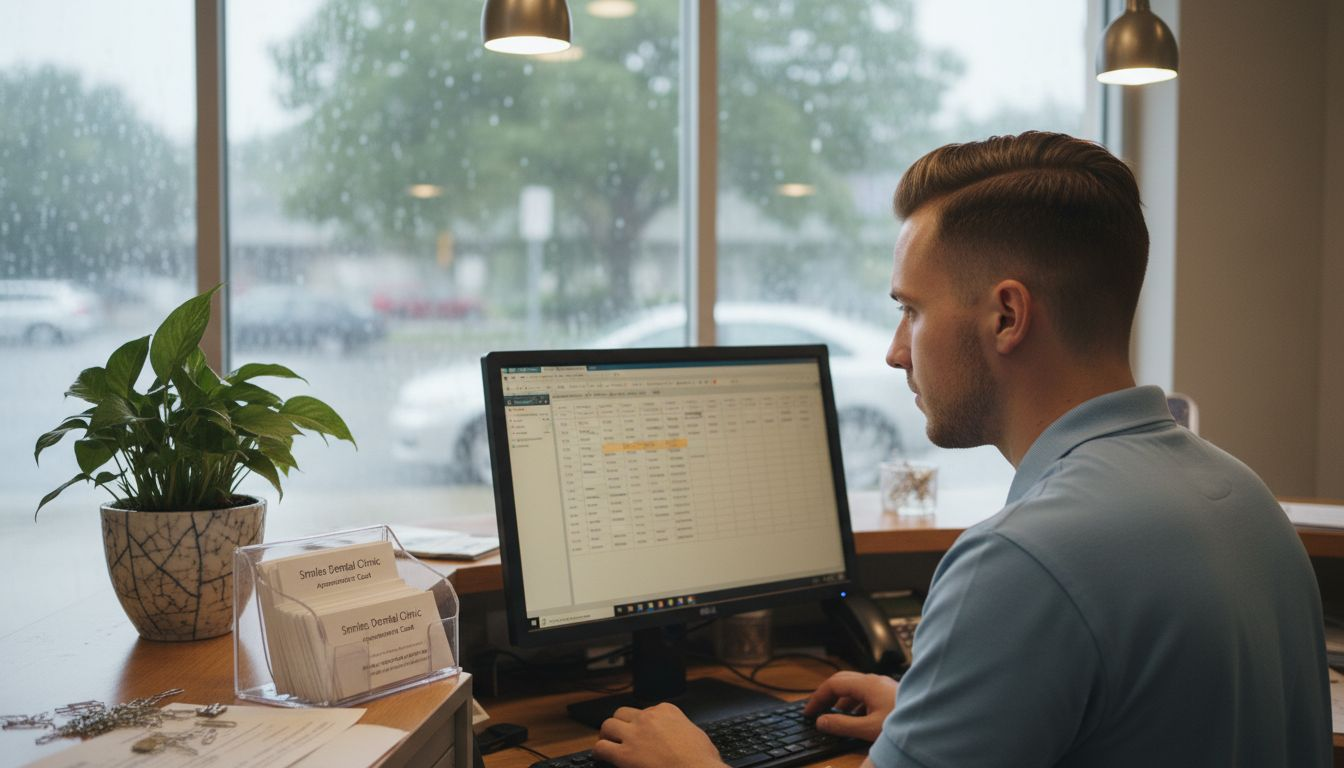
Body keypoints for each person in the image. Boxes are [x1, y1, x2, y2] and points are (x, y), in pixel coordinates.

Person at [589, 132, 1333, 767]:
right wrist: (930, 714)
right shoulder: (1244, 498)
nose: (892, 352)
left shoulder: (1023, 562)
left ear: (1007, 316)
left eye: (910, 310)